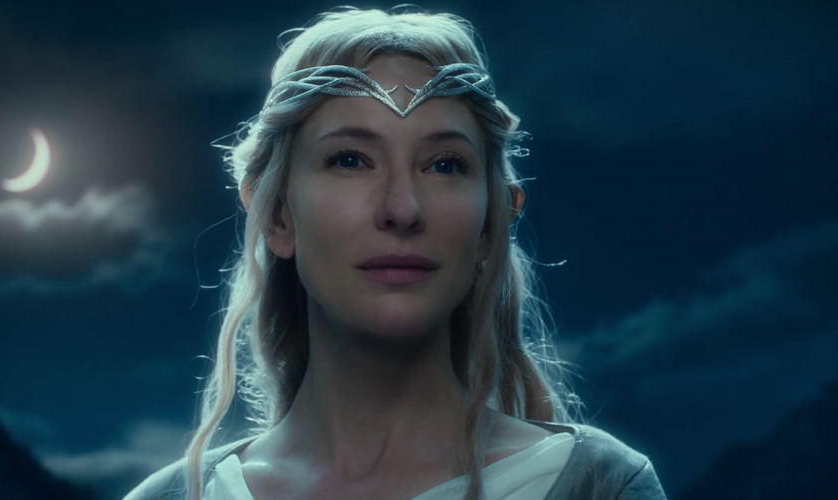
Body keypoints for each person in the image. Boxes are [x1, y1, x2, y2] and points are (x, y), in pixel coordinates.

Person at [126, 6, 667, 500]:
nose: (403, 208)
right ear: (276, 216)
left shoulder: (600, 486)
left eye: (445, 164)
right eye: (350, 160)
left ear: (491, 223)